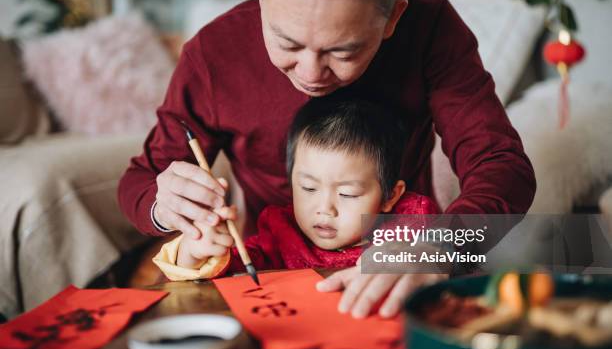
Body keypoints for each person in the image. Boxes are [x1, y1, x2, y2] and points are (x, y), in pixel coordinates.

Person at [118, 0, 536, 319]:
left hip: (403, 261)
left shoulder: (428, 27)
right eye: (287, 43)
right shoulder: (214, 53)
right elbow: (140, 181)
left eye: (342, 50)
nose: (311, 73)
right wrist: (165, 202)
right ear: (263, 2)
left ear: (392, 19)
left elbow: (500, 163)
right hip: (271, 273)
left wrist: (437, 247)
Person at [153, 97, 441, 317]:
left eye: (348, 193)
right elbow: (229, 272)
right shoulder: (280, 233)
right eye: (309, 188)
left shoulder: (412, 222)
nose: (325, 209)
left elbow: (472, 247)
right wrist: (196, 251)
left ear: (391, 195)